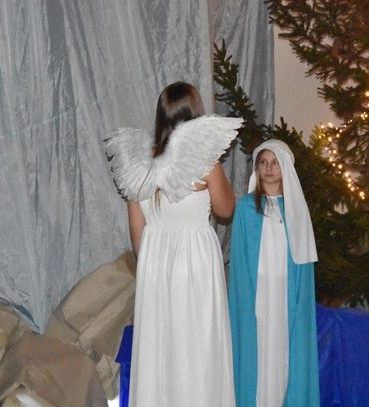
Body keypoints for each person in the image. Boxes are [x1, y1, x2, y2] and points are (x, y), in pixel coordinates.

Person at [105, 82, 242, 407]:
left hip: (155, 264)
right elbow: (226, 209)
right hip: (195, 263)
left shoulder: (137, 164)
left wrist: (153, 265)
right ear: (195, 113)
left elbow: (137, 231)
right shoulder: (205, 162)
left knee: (160, 346)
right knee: (198, 345)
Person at [228, 139, 320, 407]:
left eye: (275, 163)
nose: (268, 168)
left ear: (285, 168)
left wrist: (298, 298)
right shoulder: (246, 208)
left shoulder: (296, 210)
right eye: (263, 162)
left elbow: (303, 262)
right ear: (257, 168)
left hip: (285, 294)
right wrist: (245, 297)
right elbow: (240, 259)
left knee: (284, 349)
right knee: (258, 347)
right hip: (257, 294)